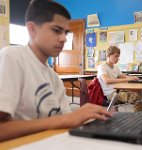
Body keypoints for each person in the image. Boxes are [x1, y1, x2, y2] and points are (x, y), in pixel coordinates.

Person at [0, 0, 111, 142]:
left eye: (66, 32)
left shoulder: (53, 77)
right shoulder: (12, 57)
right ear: (32, 29)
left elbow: (65, 121)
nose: (64, 38)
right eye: (56, 30)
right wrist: (66, 119)